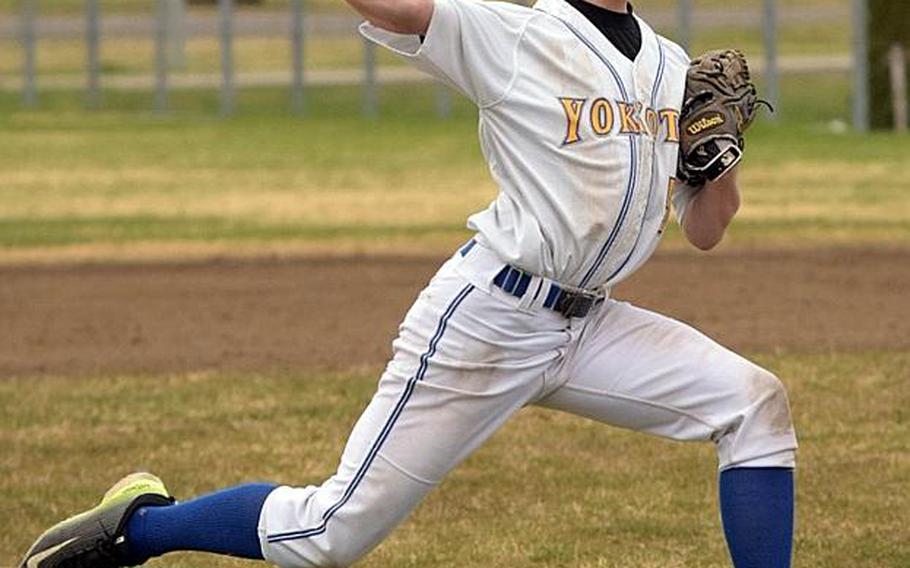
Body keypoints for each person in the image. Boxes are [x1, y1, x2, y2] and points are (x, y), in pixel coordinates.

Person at [19, 1, 797, 567]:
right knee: (327, 535)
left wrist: (719, 159)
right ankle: (135, 528)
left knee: (753, 404)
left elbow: (705, 229)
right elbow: (398, 9)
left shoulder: (670, 66)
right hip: (491, 317)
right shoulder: (519, 34)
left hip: (591, 326)